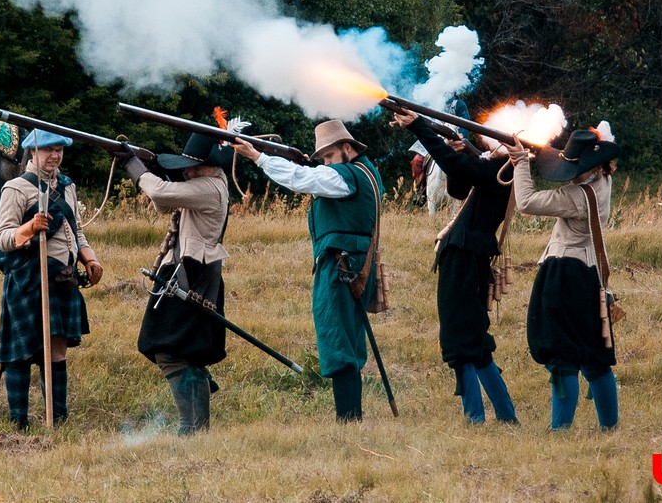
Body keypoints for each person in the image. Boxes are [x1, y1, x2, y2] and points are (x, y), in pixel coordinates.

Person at [233, 120, 381, 422]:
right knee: (346, 341)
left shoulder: (347, 175)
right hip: (350, 264)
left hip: (341, 266)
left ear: (347, 149)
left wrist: (258, 157)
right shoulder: (366, 172)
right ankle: (350, 418)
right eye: (322, 158)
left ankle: (348, 419)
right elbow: (310, 175)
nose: (325, 163)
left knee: (339, 341)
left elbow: (301, 179)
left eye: (328, 157)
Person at [392, 108, 518, 424]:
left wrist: (421, 128)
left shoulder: (503, 171)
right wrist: (453, 147)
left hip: (465, 257)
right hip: (461, 255)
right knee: (466, 340)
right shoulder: (492, 168)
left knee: (465, 339)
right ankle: (498, 415)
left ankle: (481, 416)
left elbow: (456, 167)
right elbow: (457, 187)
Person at [507, 125, 621, 431]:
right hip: (589, 274)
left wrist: (520, 163)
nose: (570, 172)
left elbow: (527, 202)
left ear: (590, 166)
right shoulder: (603, 180)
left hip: (565, 276)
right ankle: (609, 426)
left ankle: (560, 429)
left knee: (561, 355)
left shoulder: (575, 196)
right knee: (595, 354)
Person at [118, 132, 231, 435]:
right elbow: (164, 205)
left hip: (189, 273)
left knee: (167, 351)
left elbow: (160, 195)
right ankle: (197, 430)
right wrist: (154, 170)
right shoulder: (206, 184)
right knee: (187, 354)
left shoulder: (209, 187)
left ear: (211, 166)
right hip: (194, 271)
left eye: (192, 167)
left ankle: (189, 427)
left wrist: (134, 166)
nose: (187, 172)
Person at [0, 129, 104, 430]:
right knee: (22, 350)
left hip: (62, 279)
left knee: (56, 350)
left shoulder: (67, 187)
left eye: (59, 150)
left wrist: (90, 258)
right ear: (32, 152)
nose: (54, 155)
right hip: (29, 278)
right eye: (48, 150)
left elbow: (76, 231)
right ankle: (19, 421)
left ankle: (58, 418)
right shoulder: (16, 189)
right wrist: (29, 228)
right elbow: (2, 238)